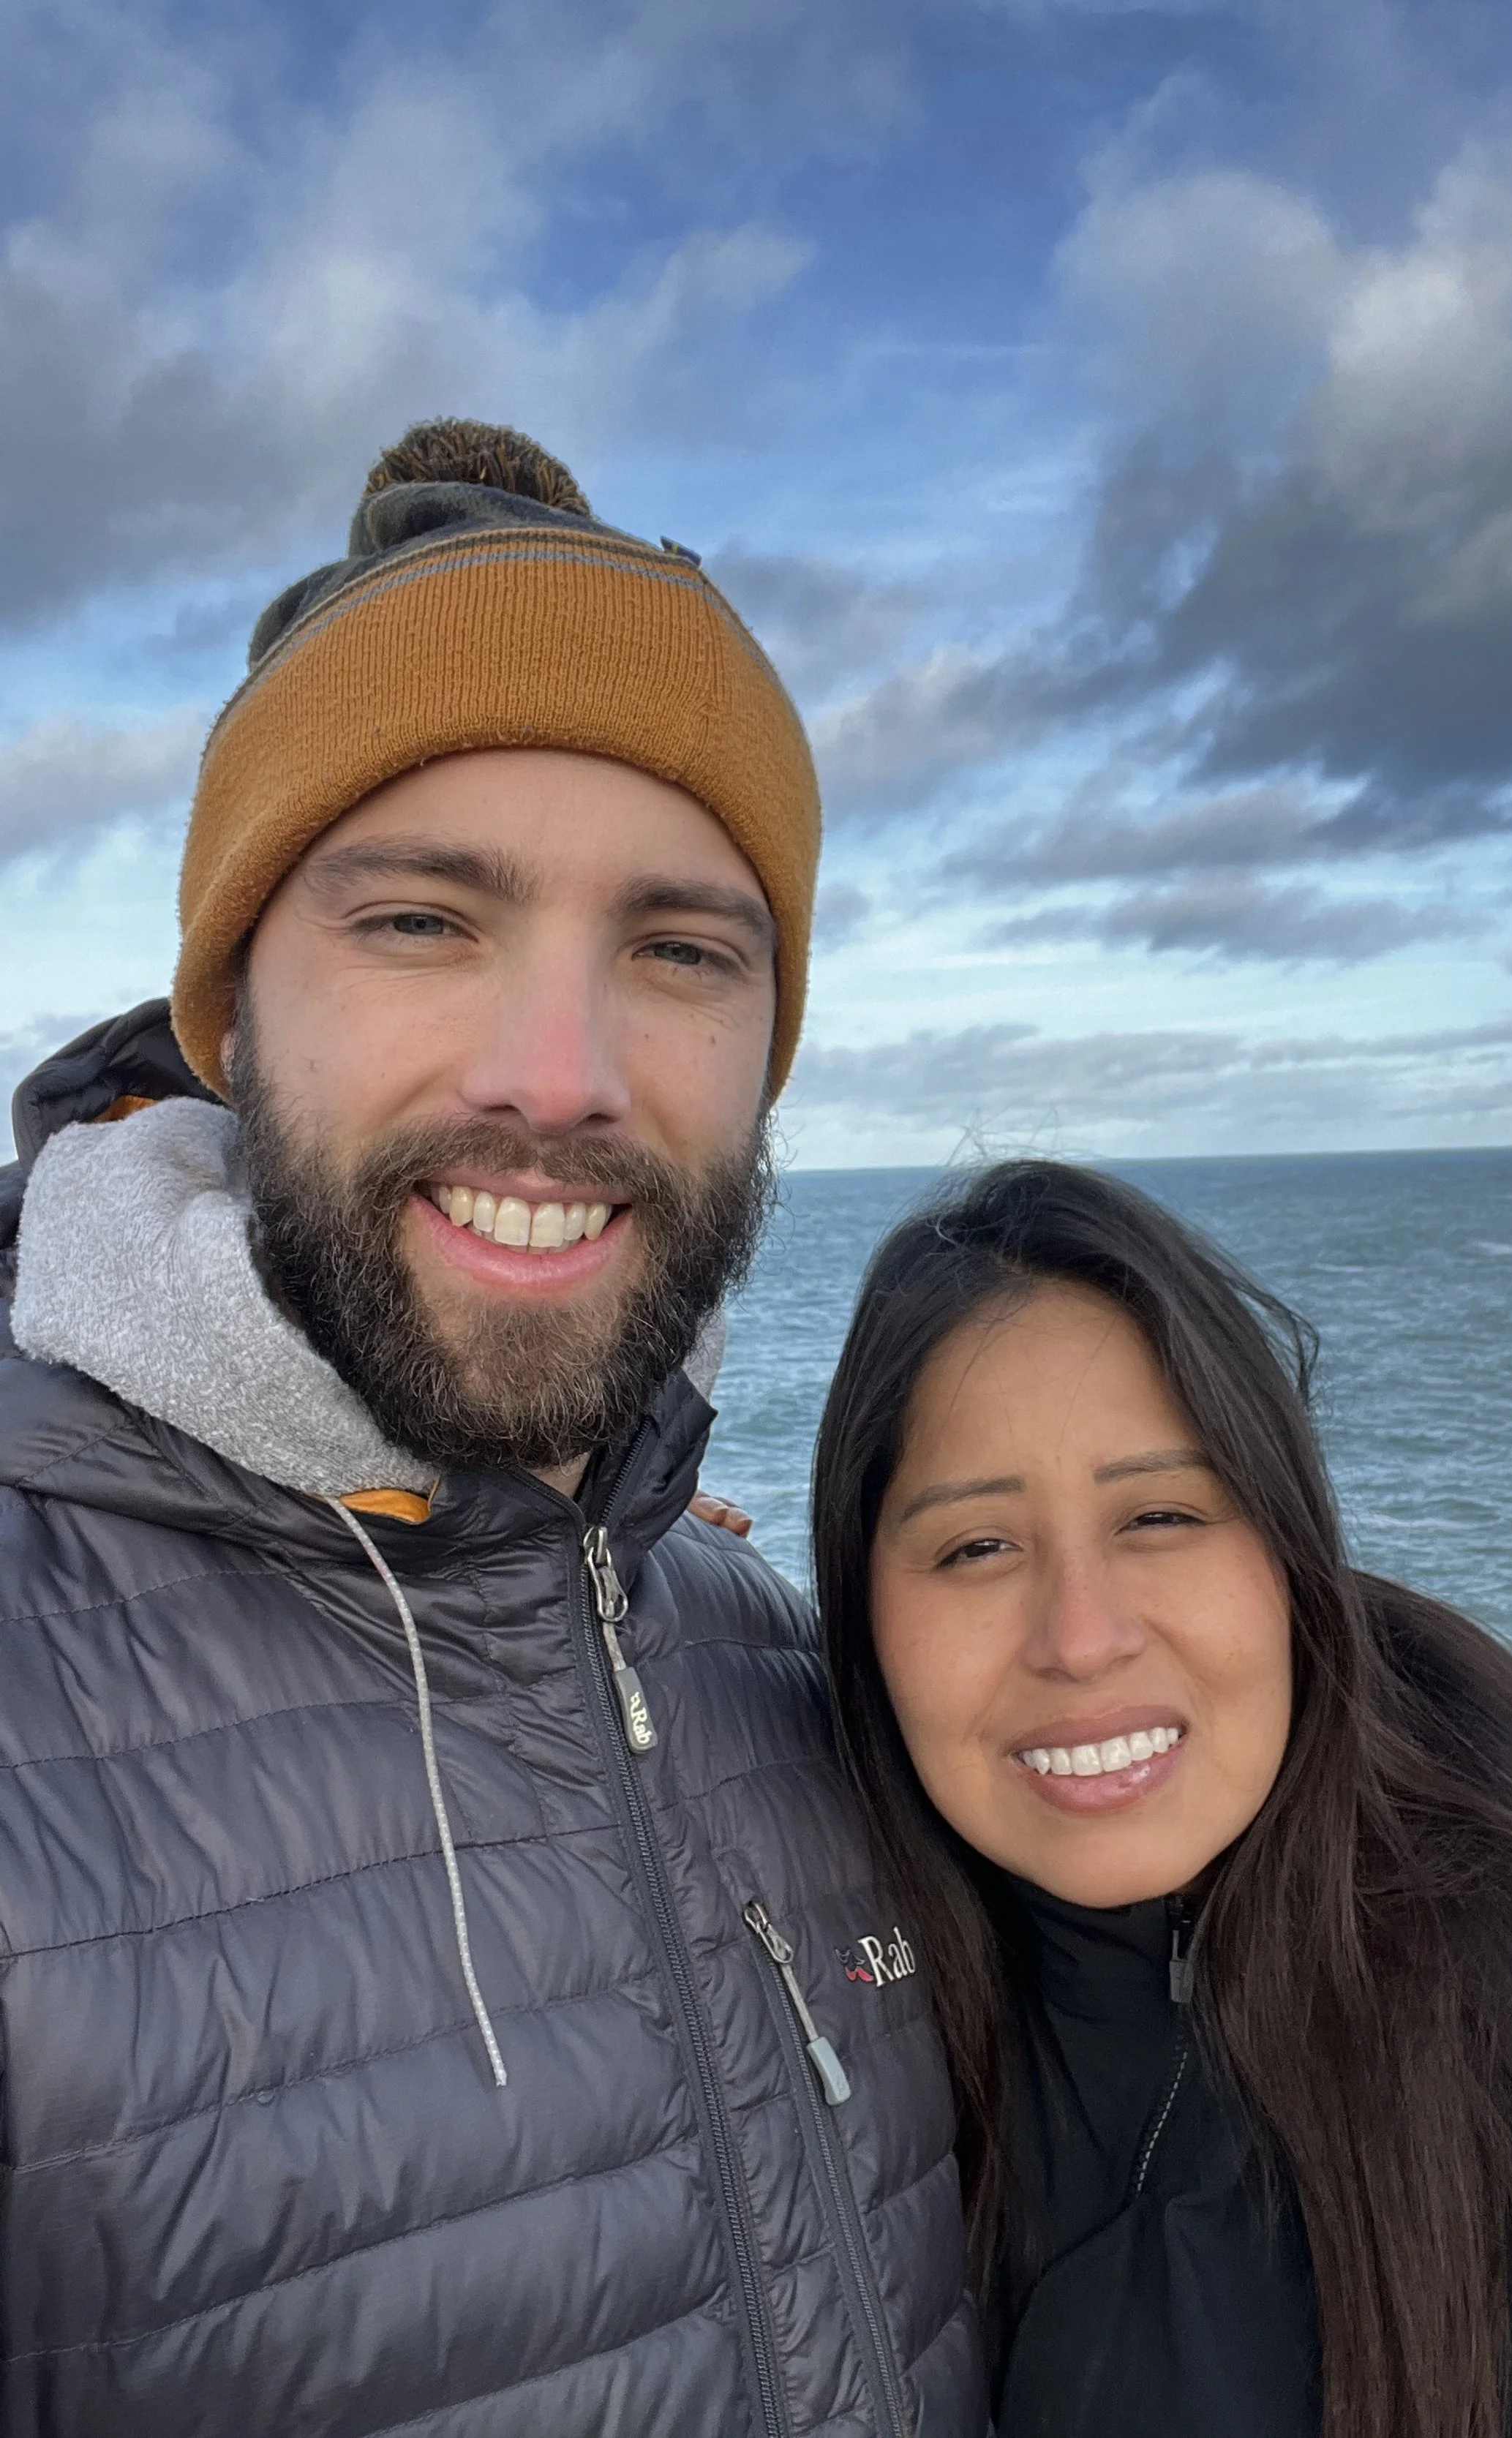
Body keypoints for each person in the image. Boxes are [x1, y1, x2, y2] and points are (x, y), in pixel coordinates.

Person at [0, 421, 982, 2436]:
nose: (559, 1076)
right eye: (423, 920)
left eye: (680, 948)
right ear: (230, 1010)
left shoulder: (767, 1640)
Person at [811, 1157, 1512, 2438]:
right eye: (977, 1547)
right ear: (861, 1619)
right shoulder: (859, 2001)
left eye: (1162, 1515)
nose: (1081, 1637)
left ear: (1290, 1553)